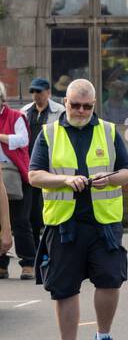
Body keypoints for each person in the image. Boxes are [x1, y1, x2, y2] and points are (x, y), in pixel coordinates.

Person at [27, 78, 128, 340]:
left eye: (87, 106)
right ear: (66, 101)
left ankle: (103, 337)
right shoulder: (49, 133)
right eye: (76, 105)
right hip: (64, 222)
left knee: (111, 279)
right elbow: (34, 176)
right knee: (64, 288)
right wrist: (64, 180)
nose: (82, 111)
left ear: (95, 105)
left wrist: (110, 178)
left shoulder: (109, 131)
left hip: (104, 221)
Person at [22, 77, 63, 252]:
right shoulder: (24, 111)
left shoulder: (59, 111)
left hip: (50, 166)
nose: (35, 95)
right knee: (30, 214)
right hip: (28, 166)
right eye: (33, 91)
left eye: (39, 91)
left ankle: (50, 248)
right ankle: (36, 249)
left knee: (46, 210)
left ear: (48, 92)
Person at [0, 83, 33, 280]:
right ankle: (2, 265)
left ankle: (28, 262)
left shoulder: (16, 116)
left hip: (17, 174)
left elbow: (23, 140)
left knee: (21, 222)